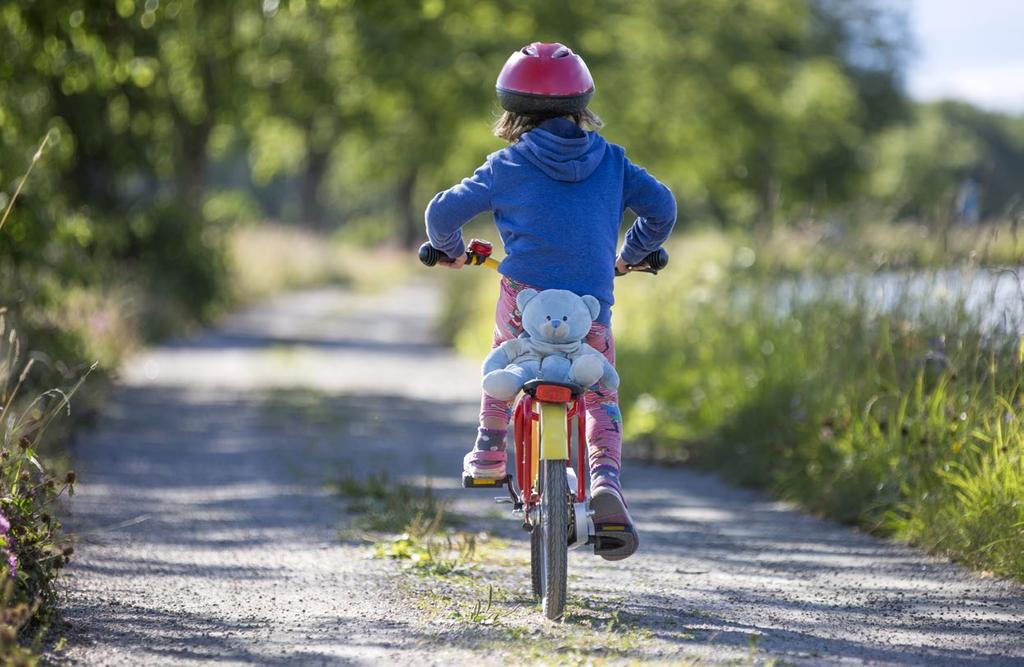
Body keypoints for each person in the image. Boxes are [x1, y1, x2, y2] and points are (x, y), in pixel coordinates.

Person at [424, 42, 676, 560]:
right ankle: (606, 480)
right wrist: (630, 255)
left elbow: (440, 215)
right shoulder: (613, 162)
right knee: (600, 392)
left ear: (512, 110)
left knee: (504, 356)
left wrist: (451, 252)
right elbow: (662, 208)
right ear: (582, 105)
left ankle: (490, 450)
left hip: (525, 302)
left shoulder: (505, 165)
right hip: (589, 309)